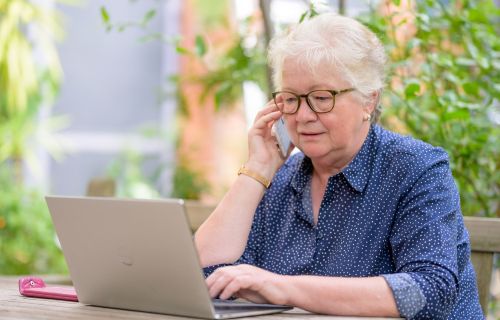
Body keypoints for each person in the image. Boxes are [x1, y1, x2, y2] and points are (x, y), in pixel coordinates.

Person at [194, 12, 483, 319]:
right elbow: (201, 274)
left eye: (321, 97)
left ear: (368, 101)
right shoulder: (279, 182)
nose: (303, 115)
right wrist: (257, 170)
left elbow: (427, 291)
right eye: (290, 99)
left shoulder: (416, 168)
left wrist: (283, 287)